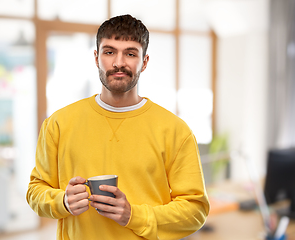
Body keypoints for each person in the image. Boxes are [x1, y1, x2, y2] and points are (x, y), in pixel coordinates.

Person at [26, 14, 209, 240]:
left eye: (130, 53)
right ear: (96, 57)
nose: (118, 63)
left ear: (144, 61)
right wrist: (62, 200)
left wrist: (133, 215)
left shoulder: (175, 130)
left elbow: (195, 211)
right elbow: (36, 192)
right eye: (109, 51)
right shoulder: (58, 124)